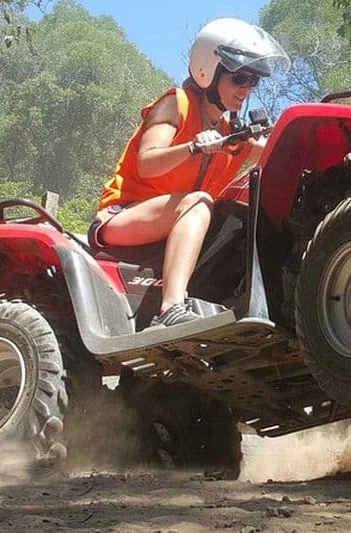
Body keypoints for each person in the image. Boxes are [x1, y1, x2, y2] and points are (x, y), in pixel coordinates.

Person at [88, 18, 289, 328]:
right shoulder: (175, 104)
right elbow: (147, 162)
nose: (247, 89)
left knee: (245, 216)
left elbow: (277, 155)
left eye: (254, 81)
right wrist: (193, 147)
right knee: (198, 202)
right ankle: (170, 309)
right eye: (240, 78)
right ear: (209, 70)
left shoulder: (230, 135)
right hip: (122, 216)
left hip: (174, 223)